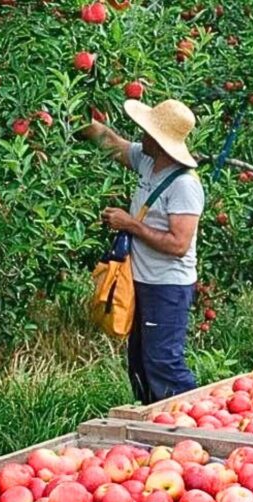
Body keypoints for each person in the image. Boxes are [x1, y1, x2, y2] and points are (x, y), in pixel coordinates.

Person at [84, 99, 204, 404]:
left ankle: (193, 421)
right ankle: (150, 421)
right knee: (139, 362)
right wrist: (79, 122)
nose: (141, 134)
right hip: (141, 282)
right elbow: (114, 145)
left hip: (168, 286)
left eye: (147, 131)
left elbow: (179, 244)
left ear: (160, 141)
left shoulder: (184, 185)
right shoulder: (148, 162)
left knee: (163, 363)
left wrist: (131, 225)